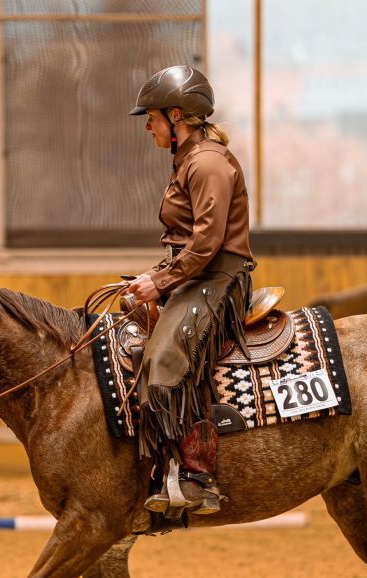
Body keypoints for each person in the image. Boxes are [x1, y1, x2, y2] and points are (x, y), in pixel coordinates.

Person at [125, 64, 255, 518]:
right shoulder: (188, 160)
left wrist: (159, 281)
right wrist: (154, 276)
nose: (148, 126)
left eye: (152, 117)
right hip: (196, 275)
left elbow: (207, 242)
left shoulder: (207, 163)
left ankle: (198, 476)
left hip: (219, 278)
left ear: (176, 115)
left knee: (164, 360)